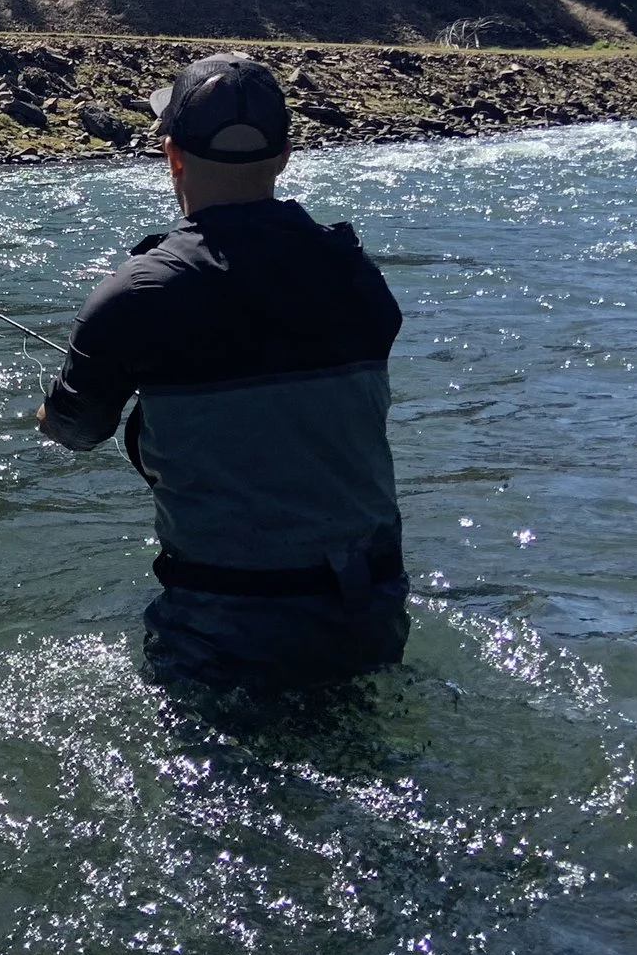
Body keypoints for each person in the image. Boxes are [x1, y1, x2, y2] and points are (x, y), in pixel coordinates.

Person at [37, 52, 409, 684]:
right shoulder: (357, 277)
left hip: (224, 626)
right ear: (285, 154)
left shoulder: (139, 294)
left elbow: (73, 431)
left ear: (171, 155)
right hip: (367, 606)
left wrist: (55, 404)